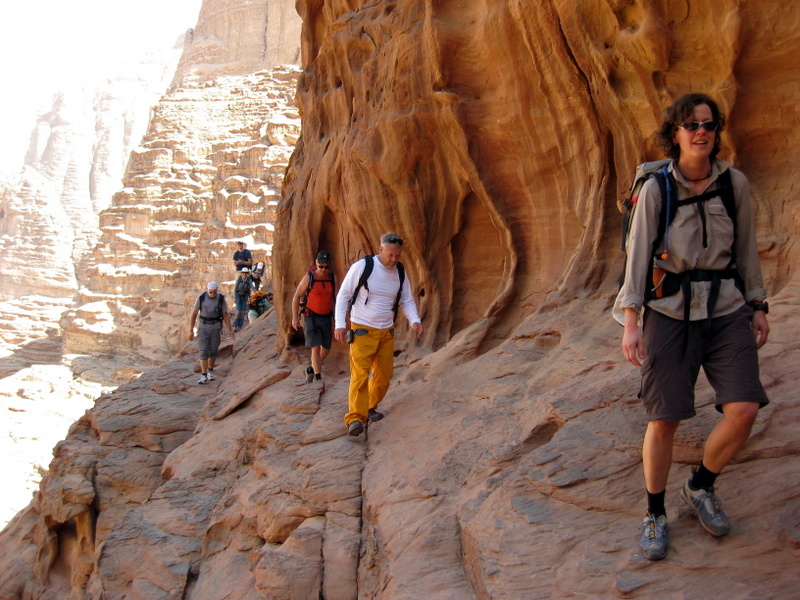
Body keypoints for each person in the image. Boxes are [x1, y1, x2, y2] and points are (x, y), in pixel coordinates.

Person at [618, 93, 770, 561]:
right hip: (669, 311)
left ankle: (700, 485)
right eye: (690, 125)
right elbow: (638, 255)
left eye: (707, 124)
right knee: (664, 418)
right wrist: (631, 321)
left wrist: (758, 304)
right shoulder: (657, 188)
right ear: (675, 134)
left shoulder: (733, 184)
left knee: (744, 408)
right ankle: (655, 513)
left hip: (726, 308)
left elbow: (746, 248)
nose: (700, 132)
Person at [334, 234, 424, 436]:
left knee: (384, 376)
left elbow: (407, 300)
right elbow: (344, 295)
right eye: (390, 254)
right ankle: (355, 418)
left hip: (386, 332)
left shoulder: (400, 271)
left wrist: (415, 320)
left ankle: (369, 406)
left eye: (397, 255)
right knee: (360, 374)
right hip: (362, 329)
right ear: (380, 250)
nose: (394, 259)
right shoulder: (363, 266)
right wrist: (340, 324)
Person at [292, 251, 336, 384]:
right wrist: (295, 318)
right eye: (321, 266)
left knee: (326, 349)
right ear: (316, 263)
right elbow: (296, 296)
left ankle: (311, 369)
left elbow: (337, 298)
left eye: (326, 267)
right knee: (315, 347)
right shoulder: (309, 278)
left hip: (326, 317)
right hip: (311, 316)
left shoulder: (332, 278)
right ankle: (318, 378)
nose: (323, 269)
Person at [188, 281, 235, 384]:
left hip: (216, 327)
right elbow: (194, 314)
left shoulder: (221, 299)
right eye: (210, 292)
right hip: (203, 327)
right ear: (207, 290)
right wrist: (191, 330)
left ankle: (210, 370)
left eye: (214, 292)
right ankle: (203, 375)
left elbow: (225, 315)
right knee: (204, 351)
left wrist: (230, 330)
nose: (212, 294)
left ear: (217, 290)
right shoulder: (201, 298)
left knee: (213, 350)